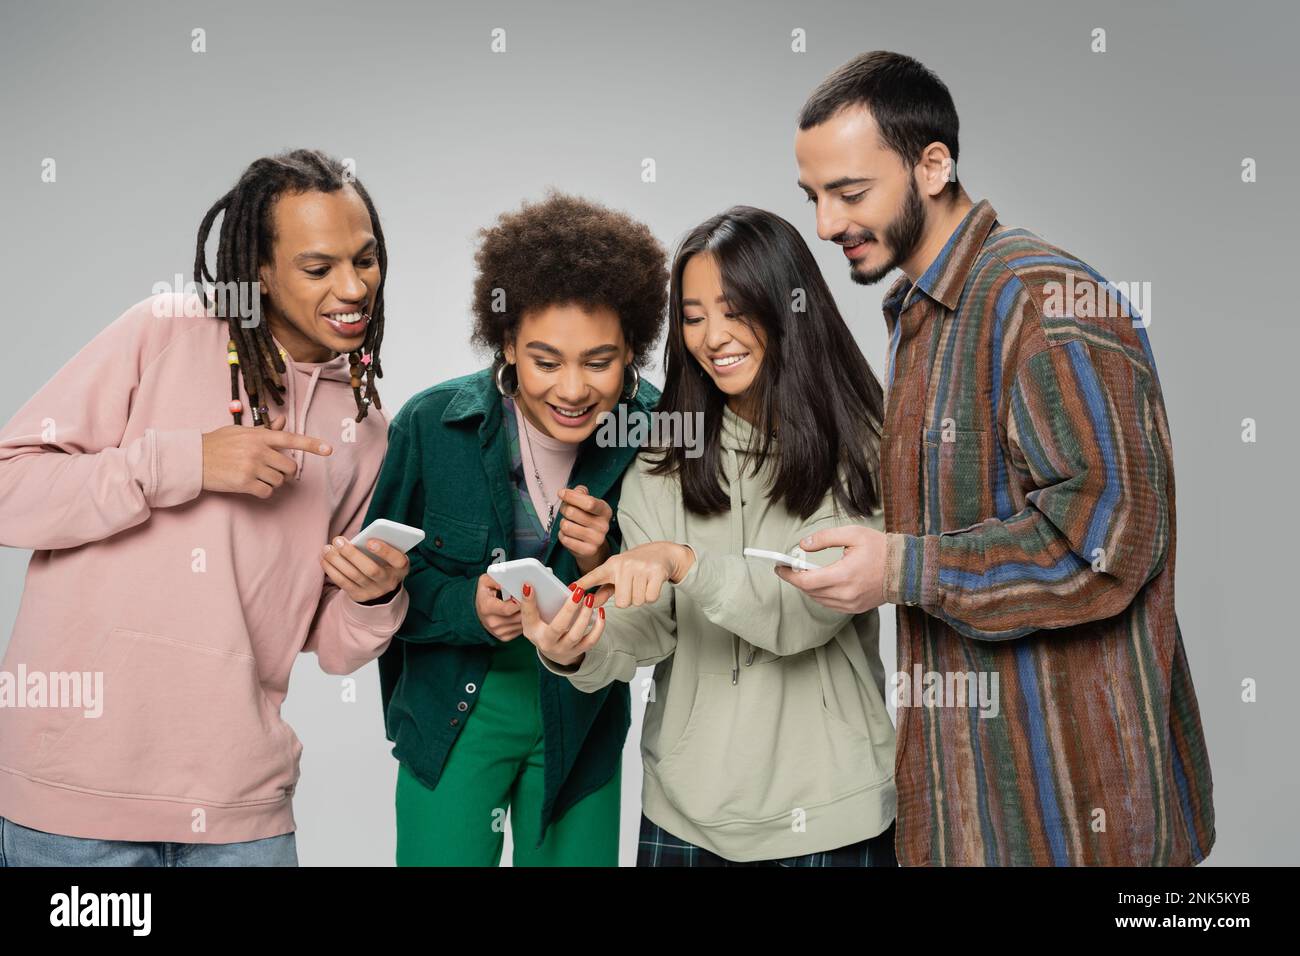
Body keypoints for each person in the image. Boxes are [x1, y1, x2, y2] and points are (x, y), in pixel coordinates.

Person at [788, 50, 1215, 865]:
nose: (826, 225)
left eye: (850, 192)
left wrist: (903, 569)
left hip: (1075, 822)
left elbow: (1107, 546)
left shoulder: (1041, 302)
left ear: (933, 164)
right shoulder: (924, 316)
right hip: (969, 813)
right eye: (813, 198)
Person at [0, 149, 410, 866]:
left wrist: (376, 597)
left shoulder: (366, 425)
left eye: (365, 259)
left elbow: (332, 644)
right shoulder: (164, 331)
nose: (353, 287)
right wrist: (185, 461)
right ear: (259, 272)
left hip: (241, 809)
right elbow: (9, 491)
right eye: (319, 268)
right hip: (72, 802)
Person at [524, 206, 898, 866]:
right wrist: (579, 645)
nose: (712, 336)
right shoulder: (666, 453)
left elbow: (804, 611)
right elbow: (650, 628)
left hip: (831, 814)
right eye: (692, 316)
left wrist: (683, 562)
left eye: (733, 310)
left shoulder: (860, 444)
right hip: (684, 815)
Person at [366, 191, 667, 866]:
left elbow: (674, 585)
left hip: (580, 719)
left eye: (600, 361)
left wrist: (606, 558)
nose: (572, 389)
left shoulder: (653, 431)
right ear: (506, 342)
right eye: (545, 359)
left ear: (633, 351)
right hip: (455, 713)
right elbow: (379, 584)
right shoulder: (430, 424)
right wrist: (464, 606)